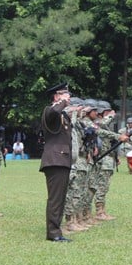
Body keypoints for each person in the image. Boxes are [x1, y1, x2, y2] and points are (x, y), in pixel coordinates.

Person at [39, 83, 73, 242]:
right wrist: (63, 102)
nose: (69, 96)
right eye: (64, 94)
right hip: (55, 159)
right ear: (56, 96)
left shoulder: (62, 114)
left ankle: (56, 230)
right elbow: (54, 111)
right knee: (55, 198)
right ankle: (53, 233)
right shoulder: (49, 110)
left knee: (60, 198)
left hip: (62, 159)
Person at [92, 100, 128, 221]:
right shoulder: (96, 123)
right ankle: (99, 211)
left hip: (108, 157)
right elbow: (101, 127)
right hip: (101, 159)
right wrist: (111, 116)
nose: (110, 114)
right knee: (101, 185)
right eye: (107, 112)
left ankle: (102, 210)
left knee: (105, 186)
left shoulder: (104, 124)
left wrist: (115, 158)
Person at [62, 97, 90, 233]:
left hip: (77, 160)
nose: (82, 111)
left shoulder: (79, 123)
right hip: (69, 162)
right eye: (80, 108)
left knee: (76, 192)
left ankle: (74, 219)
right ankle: (69, 221)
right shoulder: (66, 119)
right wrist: (73, 111)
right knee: (69, 193)